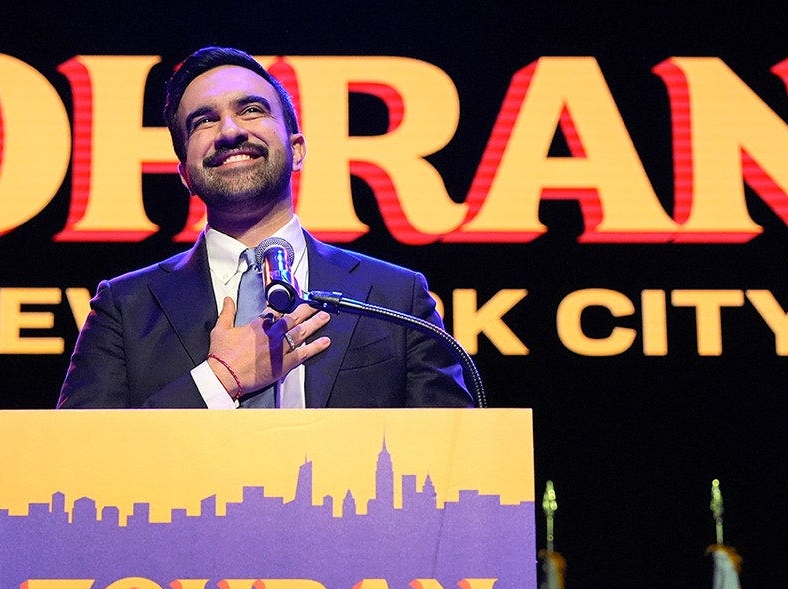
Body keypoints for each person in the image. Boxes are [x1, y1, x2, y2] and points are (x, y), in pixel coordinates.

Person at [57, 46, 475, 409]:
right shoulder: (125, 308)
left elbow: (453, 462)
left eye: (251, 110)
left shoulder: (396, 297)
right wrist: (220, 380)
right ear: (185, 173)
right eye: (203, 121)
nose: (230, 131)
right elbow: (76, 460)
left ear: (296, 150)